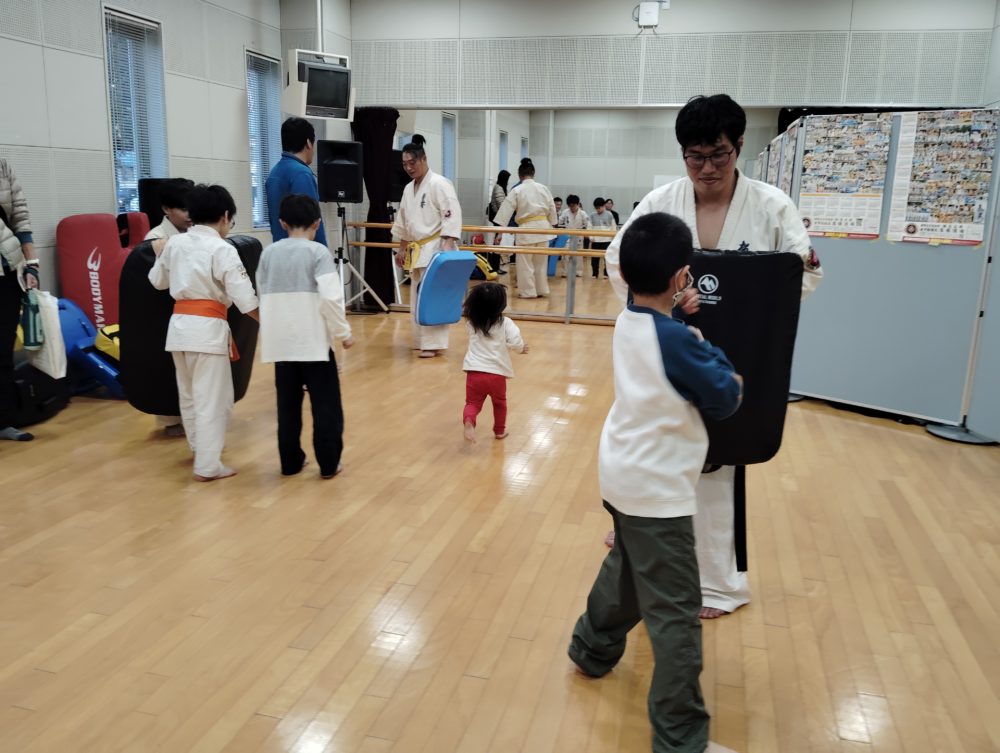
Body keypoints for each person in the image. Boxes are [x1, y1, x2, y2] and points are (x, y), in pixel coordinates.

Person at [604, 94, 823, 619]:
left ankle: (720, 585)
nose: (706, 168)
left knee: (718, 464)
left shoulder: (771, 206)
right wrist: (665, 306)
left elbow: (804, 272)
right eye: (695, 157)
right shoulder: (660, 203)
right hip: (668, 349)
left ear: (739, 146)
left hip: (733, 350)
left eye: (718, 155)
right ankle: (641, 536)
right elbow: (619, 261)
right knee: (657, 450)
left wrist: (748, 303)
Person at [568, 212, 742, 753]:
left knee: (626, 572)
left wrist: (678, 316)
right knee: (675, 613)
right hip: (658, 490)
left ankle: (591, 649)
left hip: (622, 475)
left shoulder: (629, 318)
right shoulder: (677, 340)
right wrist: (707, 345)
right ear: (682, 277)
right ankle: (681, 737)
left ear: (624, 274)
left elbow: (655, 321)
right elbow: (726, 394)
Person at [148, 184, 259, 481]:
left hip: (179, 329)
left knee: (189, 395)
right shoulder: (222, 249)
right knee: (212, 398)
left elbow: (157, 281)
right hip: (207, 331)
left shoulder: (175, 243)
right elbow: (245, 300)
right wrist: (270, 322)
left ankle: (200, 450)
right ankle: (208, 464)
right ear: (225, 216)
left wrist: (161, 253)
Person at [257, 194, 354, 479]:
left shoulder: (268, 253)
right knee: (326, 406)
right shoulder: (318, 253)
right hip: (313, 344)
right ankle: (328, 463)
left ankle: (290, 462)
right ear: (317, 223)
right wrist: (343, 332)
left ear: (282, 223)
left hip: (280, 345)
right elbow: (331, 299)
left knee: (287, 407)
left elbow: (261, 291)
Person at [391, 134, 462, 357]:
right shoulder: (408, 189)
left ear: (424, 159)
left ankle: (433, 344)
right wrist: (402, 248)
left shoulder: (440, 183)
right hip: (417, 249)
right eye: (405, 164)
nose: (408, 168)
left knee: (433, 297)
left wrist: (447, 245)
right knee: (417, 296)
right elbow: (404, 221)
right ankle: (420, 339)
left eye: (412, 162)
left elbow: (451, 213)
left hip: (436, 248)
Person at [145, 177, 195, 438]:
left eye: (191, 208)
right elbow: (156, 283)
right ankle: (172, 418)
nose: (189, 215)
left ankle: (198, 420)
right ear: (166, 209)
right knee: (172, 373)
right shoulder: (155, 238)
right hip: (169, 312)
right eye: (183, 209)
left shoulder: (197, 233)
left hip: (196, 316)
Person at [0, 158, 40, 442]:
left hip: (8, 270)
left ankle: (4, 421)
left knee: (2, 350)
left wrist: (32, 264)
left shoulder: (2, 166)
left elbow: (20, 217)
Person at [461, 282, 527, 443]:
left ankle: (469, 421)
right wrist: (520, 349)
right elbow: (516, 341)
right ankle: (499, 431)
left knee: (472, 404)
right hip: (497, 374)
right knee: (499, 404)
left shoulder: (471, 323)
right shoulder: (506, 323)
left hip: (474, 372)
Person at [493, 158, 557, 299]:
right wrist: (553, 224)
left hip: (526, 230)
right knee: (541, 263)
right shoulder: (544, 188)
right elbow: (552, 208)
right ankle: (541, 290)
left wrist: (499, 233)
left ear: (519, 175)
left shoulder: (517, 190)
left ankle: (528, 292)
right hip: (543, 229)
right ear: (533, 173)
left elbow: (505, 212)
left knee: (525, 264)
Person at [265, 117, 327, 248]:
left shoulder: (273, 173)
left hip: (280, 250)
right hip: (304, 253)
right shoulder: (302, 173)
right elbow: (312, 220)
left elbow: (272, 220)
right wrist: (323, 250)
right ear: (308, 143)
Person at [560, 194, 591, 278]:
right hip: (568, 235)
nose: (572, 207)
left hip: (578, 235)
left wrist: (587, 233)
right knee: (565, 254)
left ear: (578, 204)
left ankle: (578, 271)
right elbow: (560, 221)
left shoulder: (583, 213)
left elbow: (588, 224)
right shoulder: (565, 212)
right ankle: (565, 271)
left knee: (579, 255)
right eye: (570, 206)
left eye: (573, 205)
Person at [487, 170, 511, 273]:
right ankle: (495, 267)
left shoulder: (499, 187)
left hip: (498, 219)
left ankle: (495, 267)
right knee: (497, 242)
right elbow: (502, 206)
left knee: (497, 242)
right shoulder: (499, 188)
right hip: (498, 219)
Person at [589, 197, 617, 279]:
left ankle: (606, 273)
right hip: (596, 240)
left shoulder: (609, 214)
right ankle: (594, 273)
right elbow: (589, 227)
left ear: (604, 206)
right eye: (596, 208)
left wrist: (613, 238)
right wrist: (591, 237)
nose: (598, 210)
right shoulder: (592, 215)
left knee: (607, 258)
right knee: (594, 258)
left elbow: (613, 227)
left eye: (599, 208)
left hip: (607, 240)